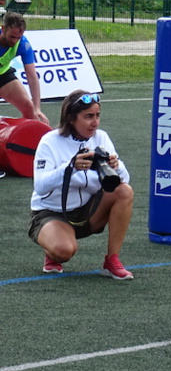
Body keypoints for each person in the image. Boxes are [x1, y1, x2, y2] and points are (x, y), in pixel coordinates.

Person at [29, 90, 134, 279]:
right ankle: (52, 250)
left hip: (88, 212)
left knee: (124, 191)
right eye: (88, 117)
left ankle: (112, 260)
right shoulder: (50, 142)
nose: (95, 123)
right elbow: (40, 186)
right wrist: (70, 168)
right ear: (71, 118)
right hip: (52, 213)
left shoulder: (101, 138)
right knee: (64, 251)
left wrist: (116, 166)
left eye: (97, 115)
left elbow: (124, 181)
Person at [0, 11, 49, 124]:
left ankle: (29, 141)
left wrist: (37, 108)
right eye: (12, 36)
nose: (14, 41)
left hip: (3, 76)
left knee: (29, 107)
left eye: (18, 37)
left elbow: (32, 76)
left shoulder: (23, 44)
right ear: (3, 28)